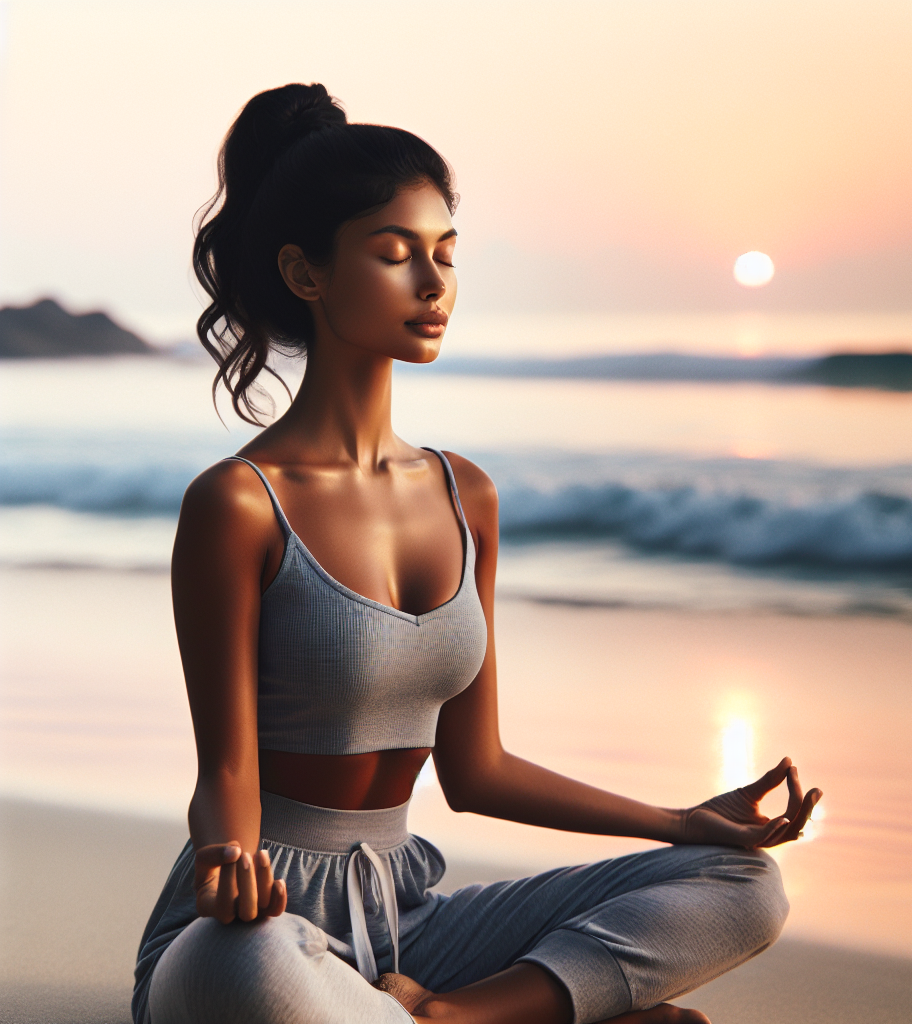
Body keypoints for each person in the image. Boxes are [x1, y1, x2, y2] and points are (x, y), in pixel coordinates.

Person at [133, 83, 821, 1024]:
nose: (433, 283)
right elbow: (225, 776)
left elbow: (478, 768)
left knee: (741, 885)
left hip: (408, 932)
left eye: (445, 255)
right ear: (307, 273)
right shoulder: (239, 504)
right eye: (394, 254)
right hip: (263, 930)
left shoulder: (466, 497)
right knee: (245, 971)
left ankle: (455, 1016)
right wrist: (225, 858)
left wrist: (679, 821)